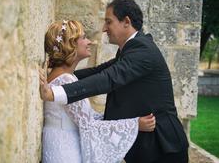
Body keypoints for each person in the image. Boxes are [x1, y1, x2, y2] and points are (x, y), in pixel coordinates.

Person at [40, 0, 189, 163]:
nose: (104, 28)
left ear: (126, 22)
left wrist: (55, 92)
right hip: (145, 145)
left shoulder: (142, 51)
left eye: (108, 22)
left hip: (162, 146)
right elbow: (100, 71)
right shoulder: (131, 48)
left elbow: (108, 79)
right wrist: (59, 75)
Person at [40, 20, 156, 163]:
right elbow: (89, 126)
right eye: (83, 38)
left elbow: (86, 117)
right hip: (65, 151)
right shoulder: (65, 80)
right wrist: (135, 125)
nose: (90, 42)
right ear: (70, 44)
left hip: (60, 144)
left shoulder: (65, 76)